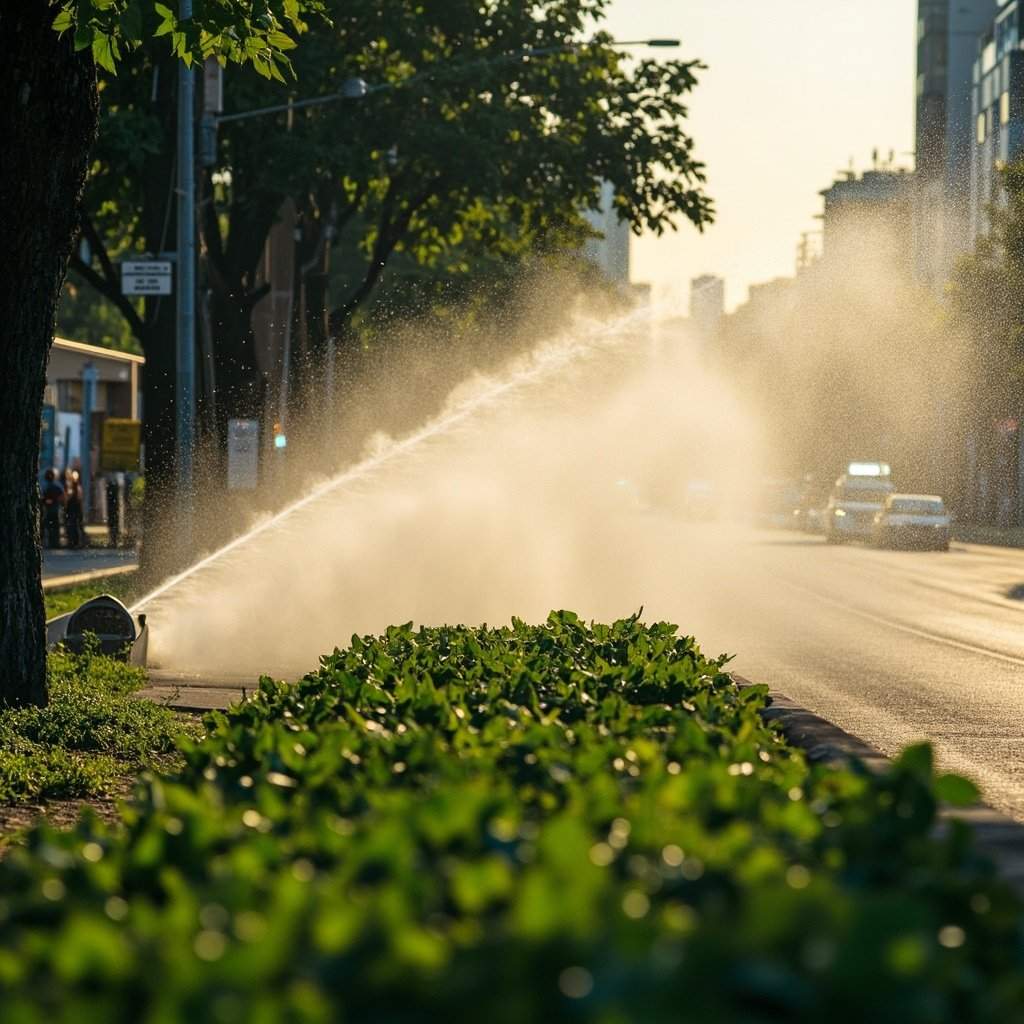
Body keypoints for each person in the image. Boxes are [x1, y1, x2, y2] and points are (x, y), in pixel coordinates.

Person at [40, 468, 64, 549]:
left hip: (53, 508)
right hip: (51, 509)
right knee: (52, 527)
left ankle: (54, 542)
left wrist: (51, 500)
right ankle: (53, 542)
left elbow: (61, 496)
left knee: (52, 526)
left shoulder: (48, 485)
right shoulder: (50, 485)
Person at [63, 468, 84, 548]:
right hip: (72, 510)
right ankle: (73, 542)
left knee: (74, 527)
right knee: (72, 526)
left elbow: (77, 498)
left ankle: (75, 542)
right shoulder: (72, 488)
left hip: (74, 510)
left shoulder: (76, 488)